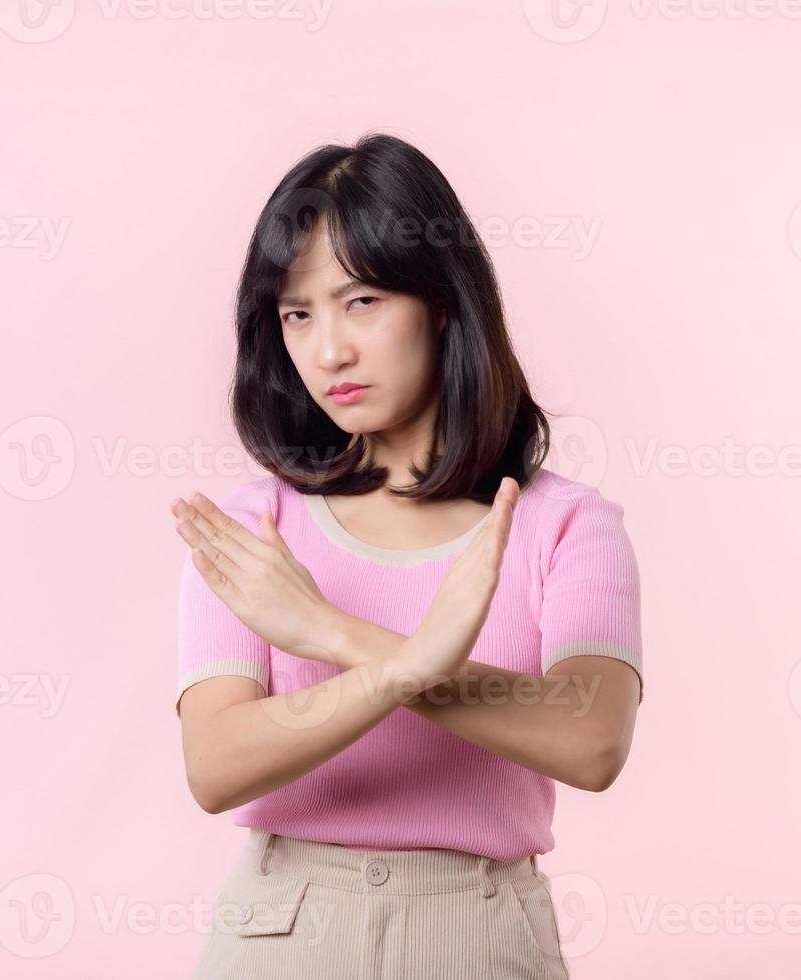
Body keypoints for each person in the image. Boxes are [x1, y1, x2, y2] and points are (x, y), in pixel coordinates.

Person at [169, 132, 643, 979]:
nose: (328, 352)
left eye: (361, 301)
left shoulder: (564, 523)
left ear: (444, 302)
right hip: (282, 937)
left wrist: (336, 634)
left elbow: (592, 742)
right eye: (297, 314)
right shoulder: (255, 528)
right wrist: (405, 667)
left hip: (482, 935)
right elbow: (214, 766)